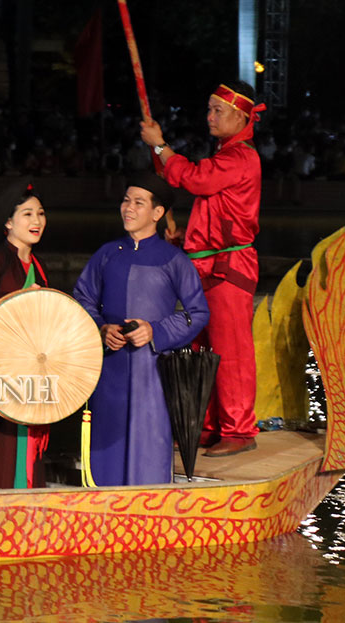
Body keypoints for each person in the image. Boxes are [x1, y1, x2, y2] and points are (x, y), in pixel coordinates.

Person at [140, 80, 262, 457]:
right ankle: (210, 427)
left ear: (241, 116)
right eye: (208, 109)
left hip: (229, 266)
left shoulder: (240, 157)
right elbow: (208, 206)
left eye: (217, 110)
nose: (209, 117)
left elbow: (195, 179)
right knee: (202, 349)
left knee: (230, 349)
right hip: (205, 265)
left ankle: (239, 431)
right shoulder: (227, 155)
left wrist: (160, 146)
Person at [72, 174, 210, 486]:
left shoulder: (174, 260)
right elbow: (82, 299)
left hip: (154, 372)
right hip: (110, 367)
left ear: (157, 213)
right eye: (125, 200)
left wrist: (156, 331)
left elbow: (198, 312)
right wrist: (101, 327)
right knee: (105, 439)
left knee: (150, 441)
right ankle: (100, 504)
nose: (128, 208)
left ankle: (147, 509)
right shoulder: (106, 254)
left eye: (138, 202)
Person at [0, 178, 51, 489]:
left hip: (32, 371)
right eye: (27, 214)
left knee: (31, 442)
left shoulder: (38, 265)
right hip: (2, 370)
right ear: (8, 222)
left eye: (40, 213)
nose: (36, 221)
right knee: (2, 448)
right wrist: (19, 301)